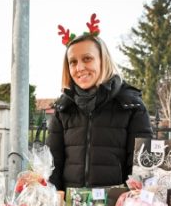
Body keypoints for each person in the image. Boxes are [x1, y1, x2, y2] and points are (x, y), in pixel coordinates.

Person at [46, 15, 151, 191]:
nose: (79, 68)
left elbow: (141, 167)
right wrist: (54, 195)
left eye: (87, 59)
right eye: (73, 62)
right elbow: (52, 164)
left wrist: (128, 202)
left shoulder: (131, 107)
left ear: (103, 60)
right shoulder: (63, 109)